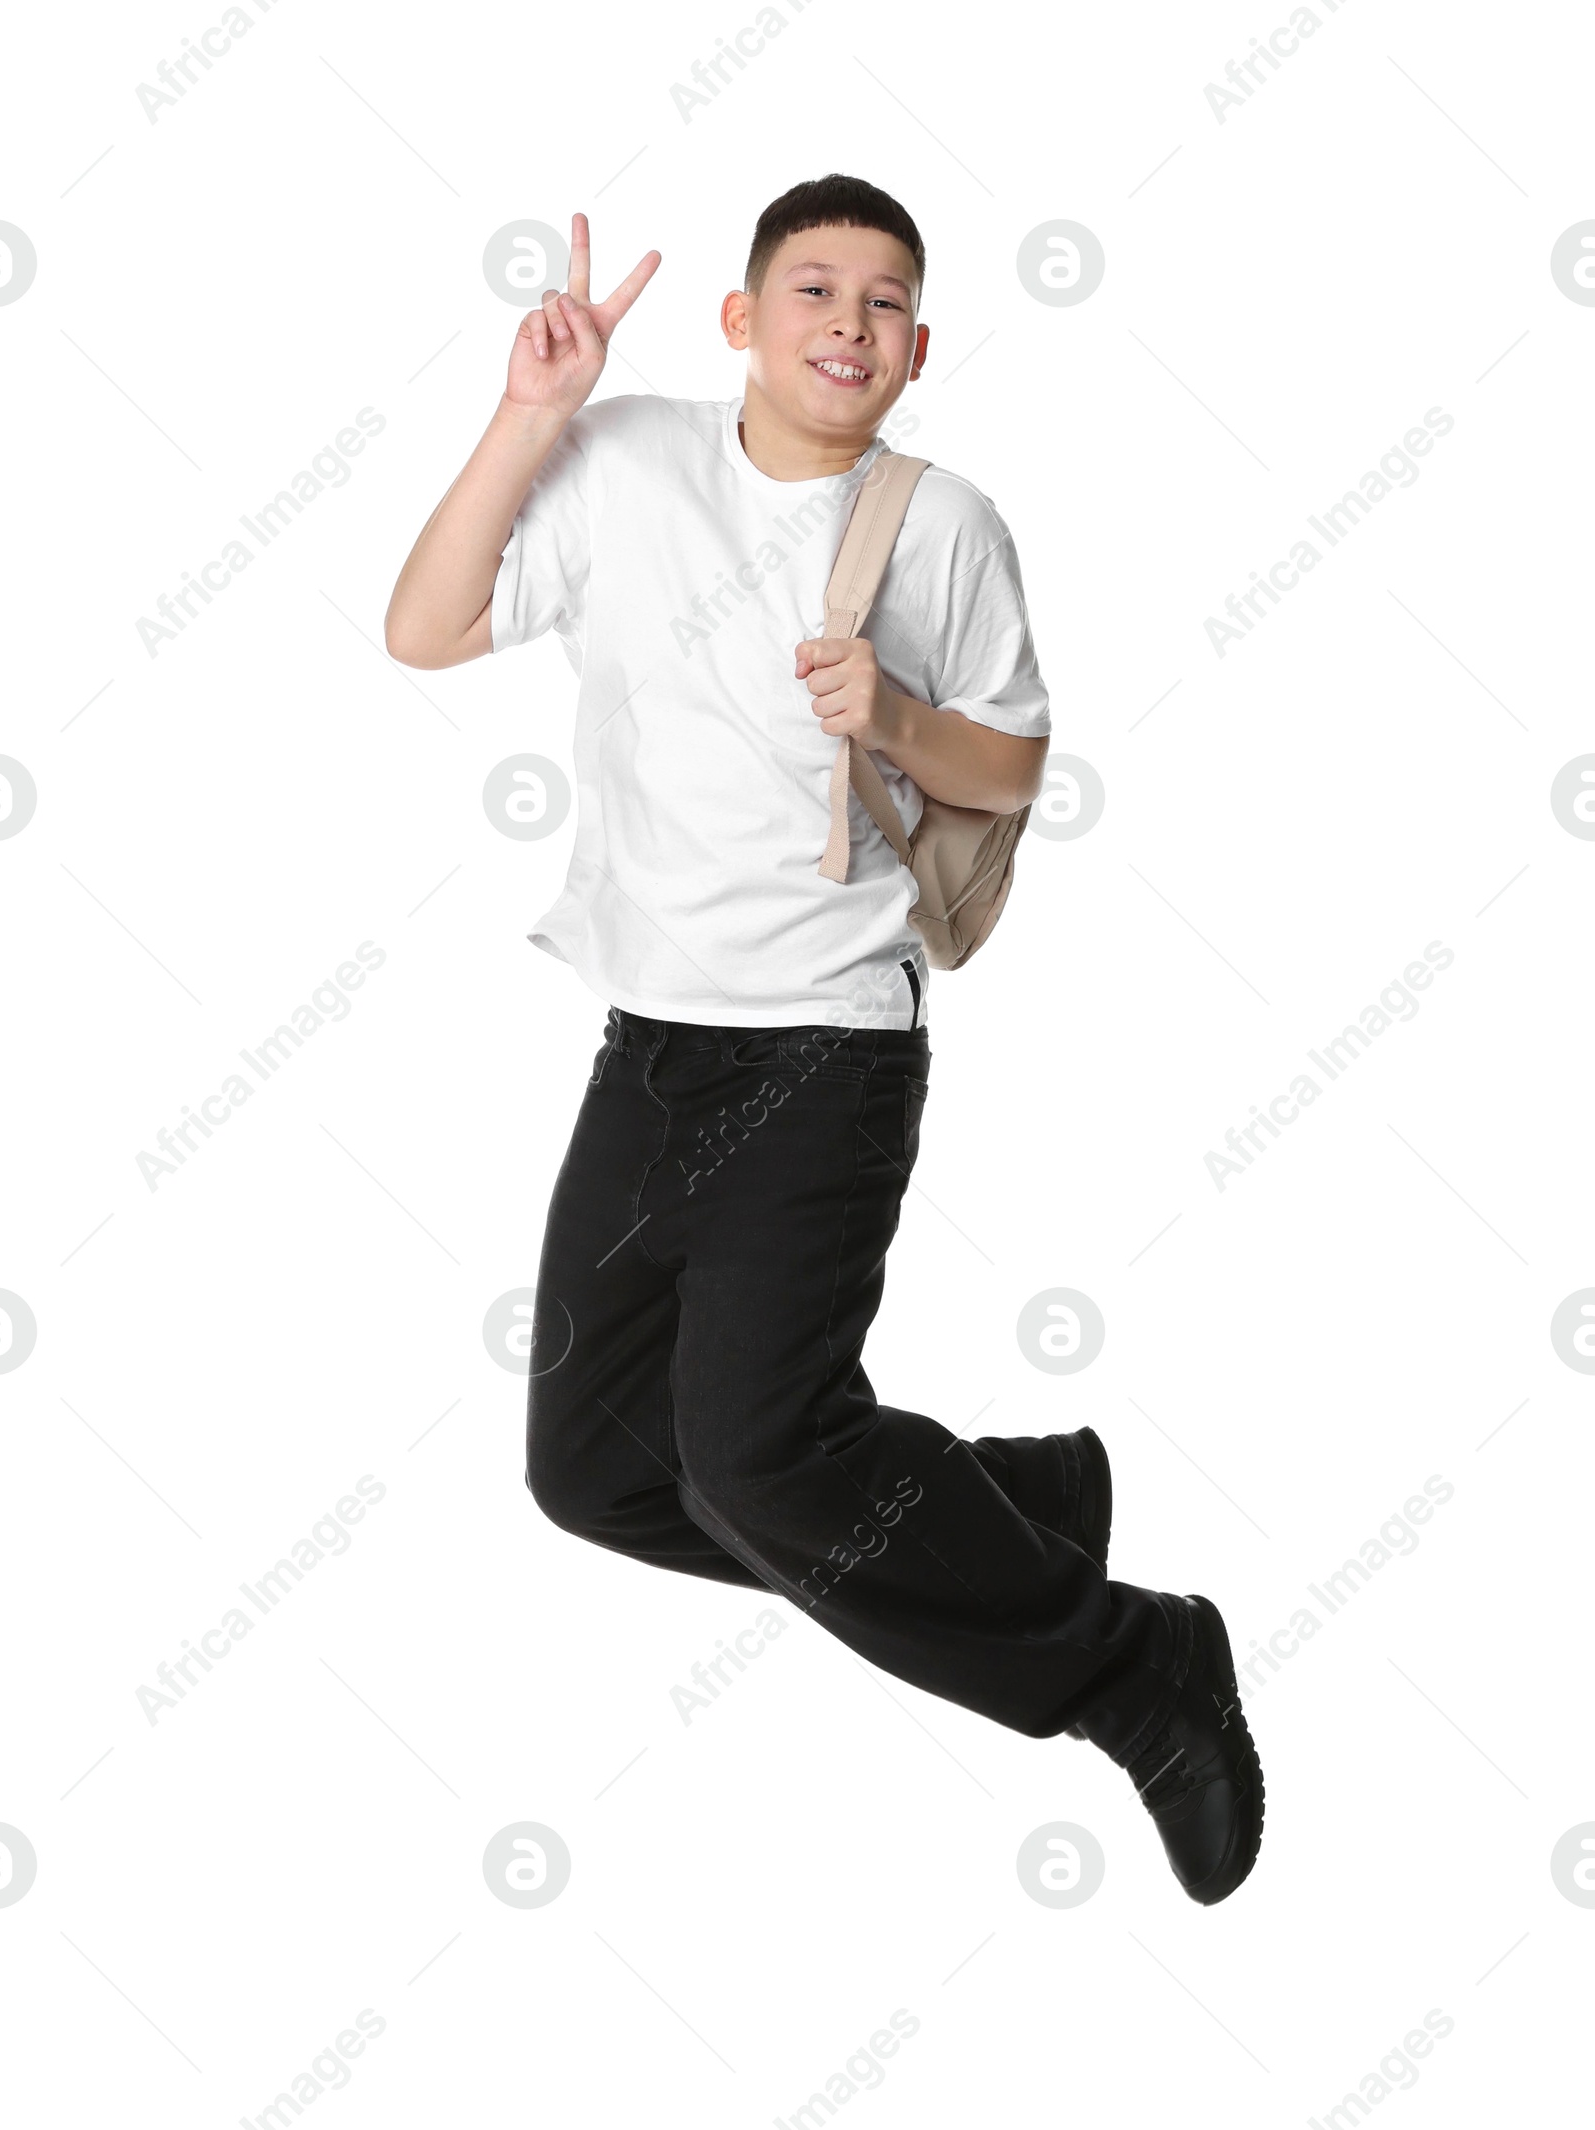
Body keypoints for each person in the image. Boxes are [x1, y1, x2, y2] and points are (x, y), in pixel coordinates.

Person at [385, 174, 1263, 1905]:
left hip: (830, 1051)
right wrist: (525, 412)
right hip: (653, 1044)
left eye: (881, 302)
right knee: (595, 1472)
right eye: (812, 290)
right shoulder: (625, 459)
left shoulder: (943, 526)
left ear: (918, 347)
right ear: (742, 321)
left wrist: (901, 712)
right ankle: (1001, 1508)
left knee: (754, 1459)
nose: (845, 323)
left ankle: (1133, 1662)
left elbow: (1014, 771)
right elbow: (424, 628)